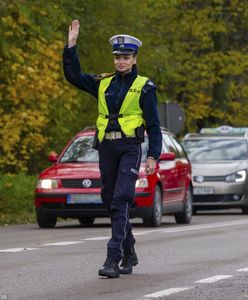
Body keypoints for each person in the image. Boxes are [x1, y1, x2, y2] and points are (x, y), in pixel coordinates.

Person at [63, 19, 162, 278]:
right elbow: (74, 76)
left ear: (134, 58)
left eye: (126, 57)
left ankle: (113, 257)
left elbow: (153, 124)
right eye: (117, 57)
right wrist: (71, 46)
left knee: (121, 200)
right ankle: (129, 250)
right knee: (110, 201)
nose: (120, 61)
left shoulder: (145, 87)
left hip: (130, 147)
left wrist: (153, 156)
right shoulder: (103, 83)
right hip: (107, 147)